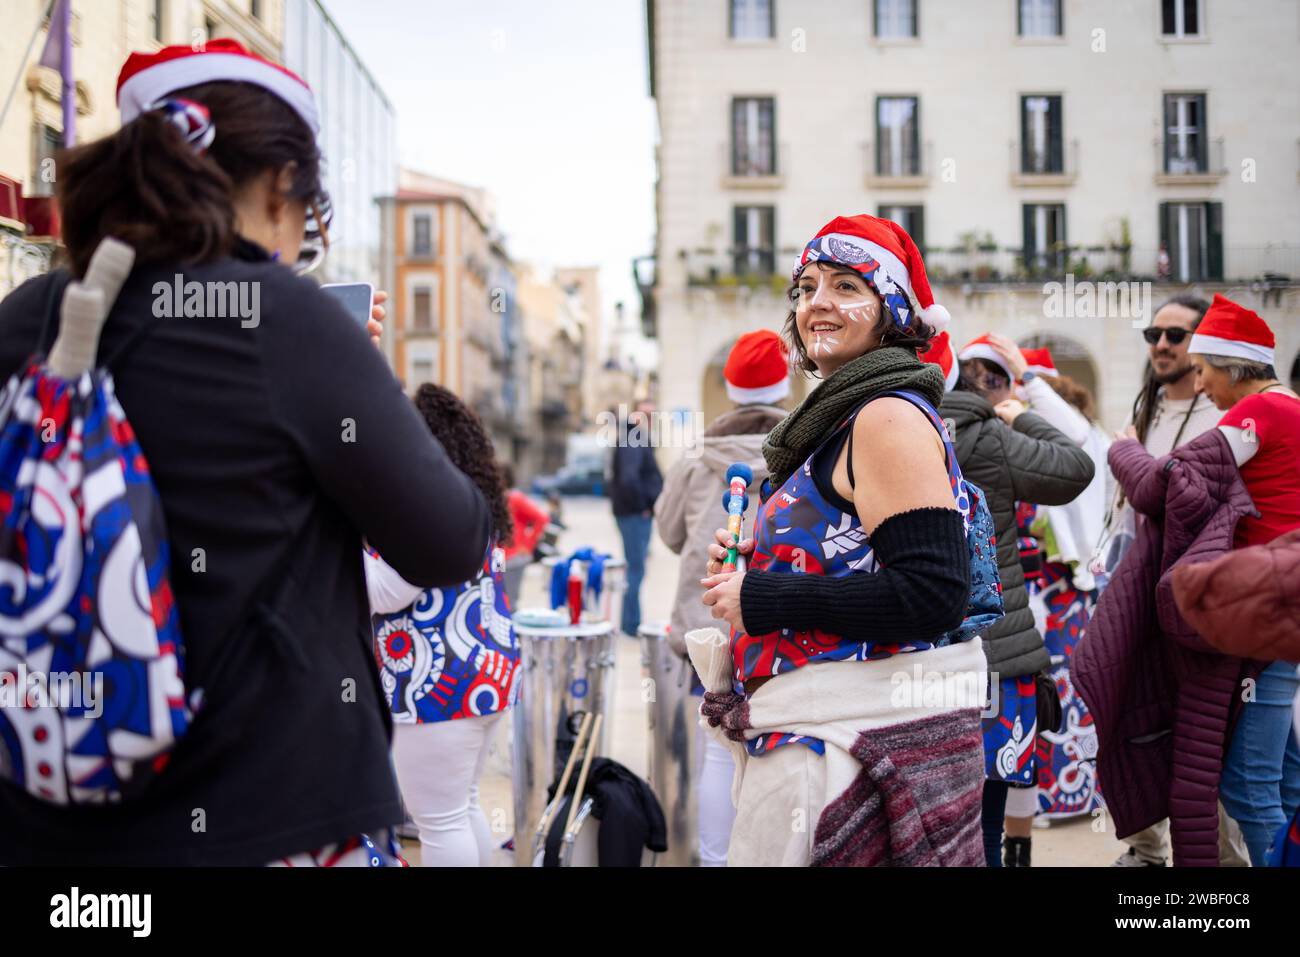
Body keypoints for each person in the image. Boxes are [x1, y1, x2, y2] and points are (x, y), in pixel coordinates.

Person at [0, 41, 491, 865]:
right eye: (311, 205)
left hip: (44, 824)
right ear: (275, 187)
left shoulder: (24, 316)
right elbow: (448, 539)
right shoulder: (287, 321)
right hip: (261, 814)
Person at [697, 214, 998, 867]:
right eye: (805, 287)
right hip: (819, 732)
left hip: (848, 744)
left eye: (844, 284)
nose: (817, 303)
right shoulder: (836, 419)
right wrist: (753, 561)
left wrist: (765, 594)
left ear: (889, 306)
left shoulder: (886, 415)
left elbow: (933, 593)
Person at [943, 334, 1095, 867]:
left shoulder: (893, 428)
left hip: (916, 650)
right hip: (997, 650)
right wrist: (1020, 415)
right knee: (988, 802)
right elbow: (1076, 467)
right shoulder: (990, 438)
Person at [1096, 294, 1237, 868]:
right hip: (1137, 596)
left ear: (1201, 345)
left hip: (1202, 605)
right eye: (1153, 334)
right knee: (1130, 717)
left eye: (1175, 336)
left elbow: (1166, 491)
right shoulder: (1145, 411)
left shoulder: (1224, 419)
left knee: (1206, 739)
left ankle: (1225, 867)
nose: (1160, 345)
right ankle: (1145, 848)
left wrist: (1126, 452)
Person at [366, 384, 519, 867]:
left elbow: (390, 589)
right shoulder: (473, 496)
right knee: (461, 807)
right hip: (484, 675)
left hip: (437, 682)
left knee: (439, 820)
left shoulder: (420, 501)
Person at [655, 328, 789, 866]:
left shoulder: (696, 457)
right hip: (777, 618)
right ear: (784, 385)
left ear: (729, 387)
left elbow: (667, 532)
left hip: (706, 626)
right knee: (775, 752)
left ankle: (714, 860)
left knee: (715, 750)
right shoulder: (804, 446)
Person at [1186, 295, 1300, 865]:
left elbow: (1181, 471)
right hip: (1284, 605)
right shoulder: (1292, 408)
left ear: (1233, 367)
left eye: (1203, 370)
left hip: (1269, 614)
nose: (1200, 384)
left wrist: (1127, 450)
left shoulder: (1259, 413)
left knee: (1249, 786)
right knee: (1284, 778)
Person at [995, 343, 1111, 863]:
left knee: (1056, 694)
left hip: (1060, 591)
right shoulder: (1055, 446)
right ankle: (1062, 794)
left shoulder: (1074, 444)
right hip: (1059, 594)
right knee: (1063, 693)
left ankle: (1055, 795)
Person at [608, 399, 664, 635]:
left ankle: (630, 622)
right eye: (645, 414)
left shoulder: (636, 439)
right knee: (635, 569)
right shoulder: (634, 439)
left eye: (652, 415)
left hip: (633, 512)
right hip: (634, 514)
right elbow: (628, 479)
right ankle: (631, 625)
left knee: (636, 568)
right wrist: (643, 505)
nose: (649, 419)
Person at [499, 461, 551, 606]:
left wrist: (528, 545)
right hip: (499, 556)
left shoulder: (514, 498)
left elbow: (541, 518)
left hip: (514, 556)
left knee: (509, 602)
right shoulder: (498, 498)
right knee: (498, 598)